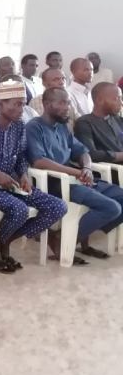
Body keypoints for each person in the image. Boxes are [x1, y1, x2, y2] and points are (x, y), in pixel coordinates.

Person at [0, 80, 68, 272]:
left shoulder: (18, 126)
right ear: (0, 104)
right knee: (19, 210)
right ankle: (0, 250)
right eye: (16, 104)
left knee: (57, 207)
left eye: (23, 104)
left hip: (11, 184)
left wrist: (23, 174)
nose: (21, 109)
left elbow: (21, 155)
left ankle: (4, 240)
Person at [26, 88, 123, 261]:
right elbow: (39, 162)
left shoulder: (62, 126)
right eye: (62, 103)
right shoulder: (34, 127)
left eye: (69, 103)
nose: (67, 107)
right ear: (47, 104)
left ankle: (71, 238)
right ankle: (63, 241)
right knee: (111, 208)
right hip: (56, 183)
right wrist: (77, 172)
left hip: (77, 179)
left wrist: (86, 168)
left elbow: (82, 151)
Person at [74, 82, 123, 166]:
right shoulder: (84, 123)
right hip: (111, 169)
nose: (121, 103)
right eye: (116, 99)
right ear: (99, 100)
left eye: (121, 98)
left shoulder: (118, 120)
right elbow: (90, 154)